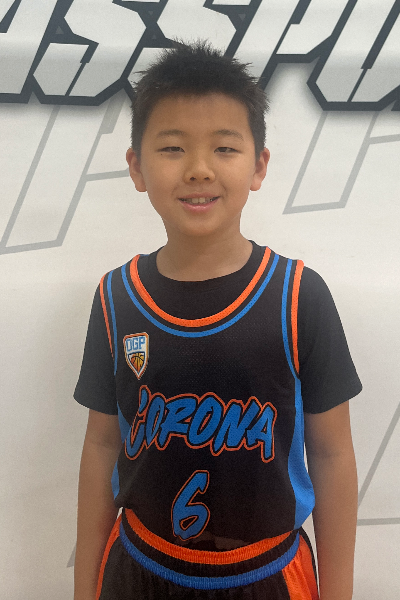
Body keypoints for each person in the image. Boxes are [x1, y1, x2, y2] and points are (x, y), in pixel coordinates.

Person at [73, 40, 362, 600]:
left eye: (225, 148)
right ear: (136, 167)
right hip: (139, 570)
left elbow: (332, 455)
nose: (199, 169)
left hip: (266, 576)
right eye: (173, 147)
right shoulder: (115, 297)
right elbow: (102, 447)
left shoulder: (299, 296)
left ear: (259, 166)